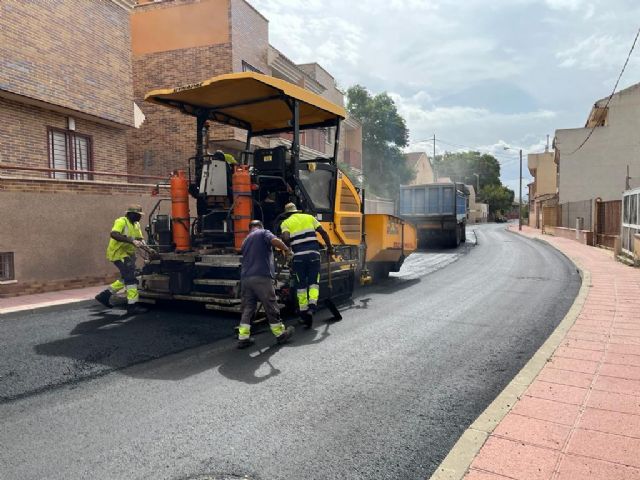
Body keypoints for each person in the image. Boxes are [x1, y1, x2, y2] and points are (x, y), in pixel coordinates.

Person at [238, 219, 295, 348]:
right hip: (261, 277)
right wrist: (286, 249)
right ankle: (280, 334)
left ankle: (243, 338)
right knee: (270, 304)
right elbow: (274, 241)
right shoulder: (263, 233)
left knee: (248, 307)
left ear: (250, 228)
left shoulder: (245, 241)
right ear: (260, 226)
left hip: (246, 278)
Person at [280, 202, 333, 328]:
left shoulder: (286, 223)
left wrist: (288, 249)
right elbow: (324, 232)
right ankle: (312, 308)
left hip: (298, 257)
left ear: (287, 214)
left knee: (301, 285)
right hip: (314, 255)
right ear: (297, 211)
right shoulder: (309, 217)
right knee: (314, 282)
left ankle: (303, 313)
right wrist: (330, 248)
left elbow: (286, 238)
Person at [94, 204, 147, 315]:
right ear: (131, 214)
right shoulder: (121, 221)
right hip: (118, 254)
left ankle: (104, 295)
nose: (140, 217)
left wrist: (146, 246)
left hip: (128, 254)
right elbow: (114, 234)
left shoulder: (136, 224)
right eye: (138, 215)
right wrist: (131, 241)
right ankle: (132, 306)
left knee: (126, 277)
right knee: (131, 278)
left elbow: (139, 238)